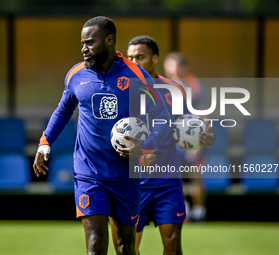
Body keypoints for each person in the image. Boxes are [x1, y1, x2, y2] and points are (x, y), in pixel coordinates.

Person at [33, 17, 171, 255]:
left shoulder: (138, 75)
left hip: (125, 173)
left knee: (125, 247)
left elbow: (162, 119)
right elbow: (64, 110)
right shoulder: (76, 74)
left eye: (89, 43)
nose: (83, 49)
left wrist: (144, 144)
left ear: (109, 41)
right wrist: (45, 142)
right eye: (82, 43)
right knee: (95, 245)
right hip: (89, 172)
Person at [127, 36, 215, 255]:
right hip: (134, 182)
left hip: (167, 181)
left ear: (155, 58)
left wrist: (204, 137)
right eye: (130, 58)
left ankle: (199, 210)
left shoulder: (174, 89)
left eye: (140, 57)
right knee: (128, 248)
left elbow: (186, 127)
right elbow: (115, 135)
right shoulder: (122, 90)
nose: (134, 62)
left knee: (173, 243)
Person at [164, 52, 211, 222]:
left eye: (172, 65)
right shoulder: (165, 85)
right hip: (171, 140)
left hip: (192, 137)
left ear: (183, 67)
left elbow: (205, 115)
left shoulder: (196, 86)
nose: (168, 68)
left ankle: (199, 211)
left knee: (195, 176)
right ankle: (183, 207)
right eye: (167, 65)